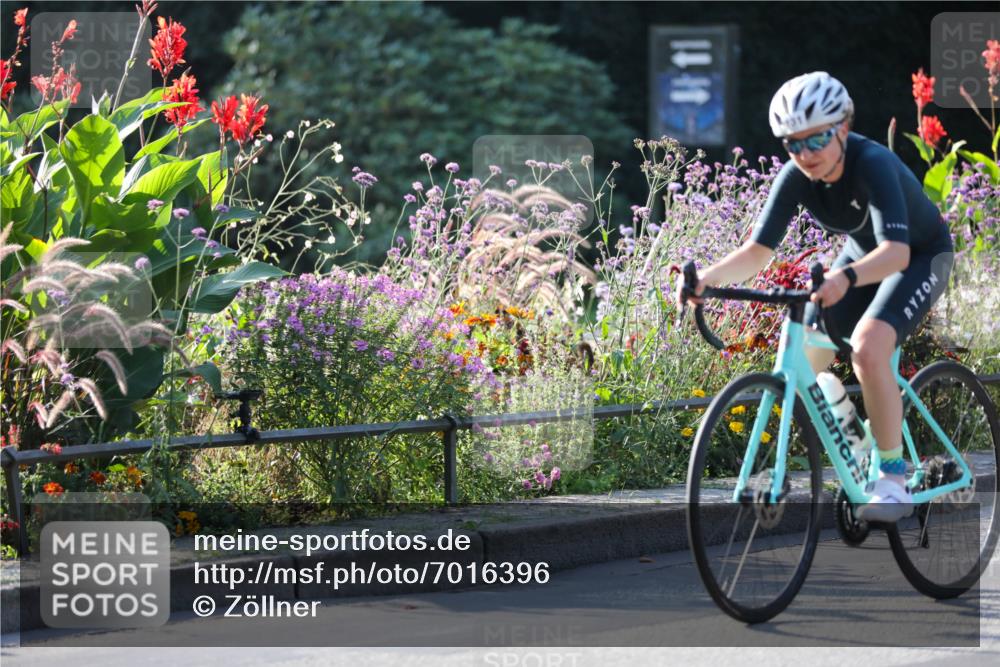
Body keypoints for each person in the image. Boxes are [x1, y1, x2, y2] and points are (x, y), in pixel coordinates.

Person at [677, 71, 954, 523]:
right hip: (863, 255)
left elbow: (897, 253)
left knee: (868, 347)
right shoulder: (797, 176)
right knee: (804, 360)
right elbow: (758, 251)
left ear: (843, 127)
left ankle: (892, 478)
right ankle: (860, 441)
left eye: (816, 140)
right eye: (792, 144)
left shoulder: (872, 163)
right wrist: (705, 279)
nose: (805, 154)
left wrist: (844, 278)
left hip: (921, 255)